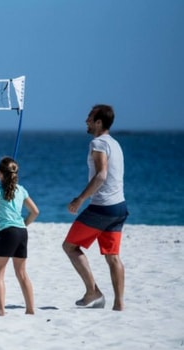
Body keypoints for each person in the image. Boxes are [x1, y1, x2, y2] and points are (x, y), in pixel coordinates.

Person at [63, 104, 128, 311]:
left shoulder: (98, 143)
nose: (86, 121)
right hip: (119, 208)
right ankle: (119, 305)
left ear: (99, 122)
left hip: (102, 208)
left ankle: (93, 292)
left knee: (70, 246)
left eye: (89, 118)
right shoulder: (115, 144)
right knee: (113, 257)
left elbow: (101, 175)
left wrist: (80, 199)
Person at [0, 156, 39, 316]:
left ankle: (1, 311)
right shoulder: (21, 190)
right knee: (21, 273)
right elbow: (35, 212)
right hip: (21, 232)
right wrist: (23, 224)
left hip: (7, 232)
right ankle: (30, 309)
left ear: (0, 173)